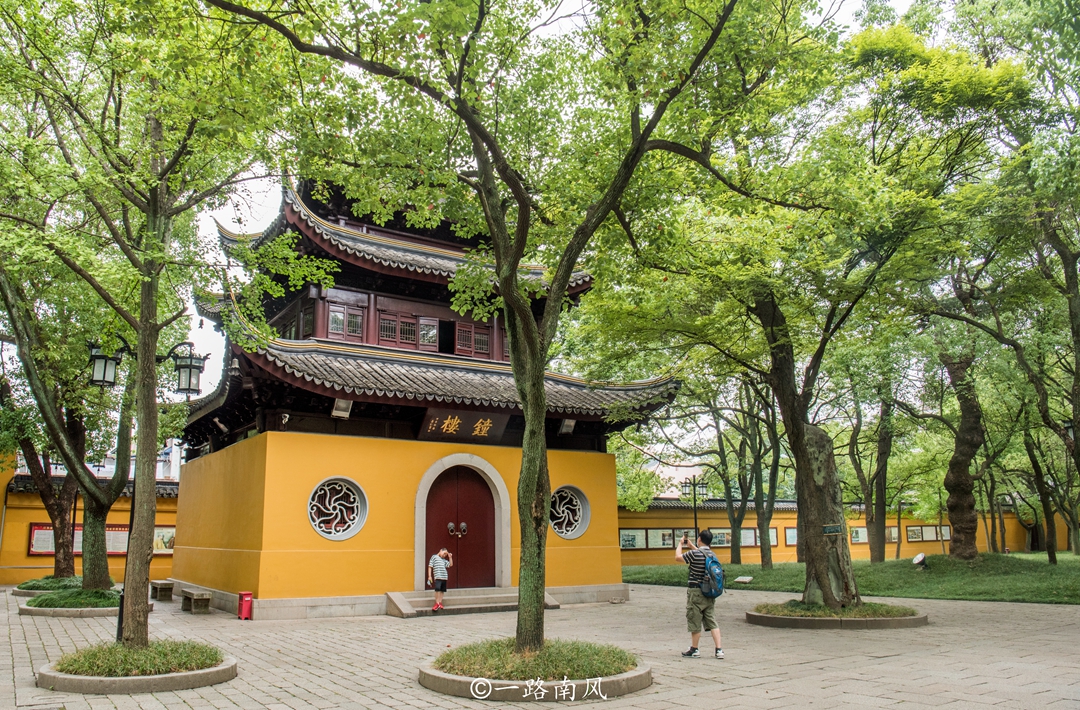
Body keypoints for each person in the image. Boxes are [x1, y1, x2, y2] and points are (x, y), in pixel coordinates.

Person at [676, 530, 723, 659]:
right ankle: (719, 650)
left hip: (696, 592)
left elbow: (678, 557)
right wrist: (692, 546)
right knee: (712, 621)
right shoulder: (712, 555)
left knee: (694, 620)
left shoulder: (694, 554)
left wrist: (680, 544)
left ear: (700, 539)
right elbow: (702, 555)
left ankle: (694, 649)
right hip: (710, 592)